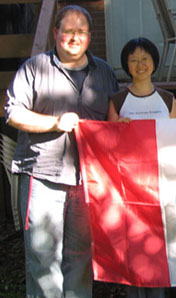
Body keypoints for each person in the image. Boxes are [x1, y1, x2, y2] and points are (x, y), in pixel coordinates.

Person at [4, 5, 118, 297]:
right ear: (56, 33)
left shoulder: (104, 72)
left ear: (90, 37)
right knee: (43, 257)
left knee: (80, 256)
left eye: (81, 32)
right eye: (68, 30)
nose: (74, 37)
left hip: (86, 180)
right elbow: (13, 113)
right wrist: (55, 122)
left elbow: (112, 119)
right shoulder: (34, 67)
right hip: (42, 175)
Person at [107, 37, 176, 298]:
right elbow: (108, 146)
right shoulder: (117, 99)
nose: (140, 64)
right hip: (128, 190)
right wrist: (118, 131)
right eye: (133, 59)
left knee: (158, 249)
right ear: (127, 65)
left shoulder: (168, 100)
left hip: (161, 187)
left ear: (154, 63)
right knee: (132, 250)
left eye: (145, 58)